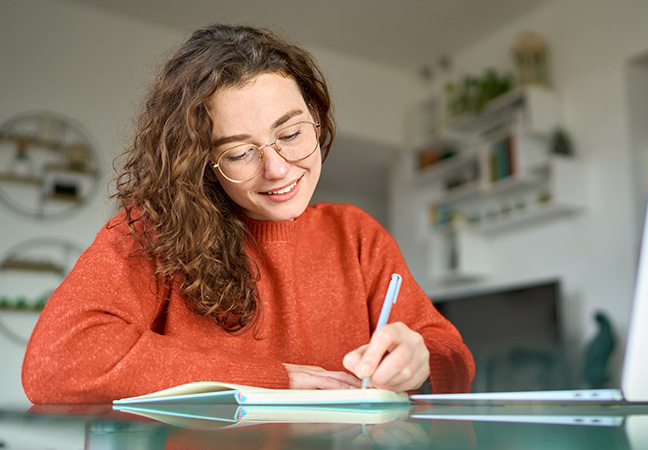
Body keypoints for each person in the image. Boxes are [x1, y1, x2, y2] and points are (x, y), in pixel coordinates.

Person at [21, 24, 475, 404]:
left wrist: (420, 359)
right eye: (239, 153)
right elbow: (57, 361)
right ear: (200, 160)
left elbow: (452, 356)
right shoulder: (152, 230)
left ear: (316, 115)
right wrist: (278, 381)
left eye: (292, 132)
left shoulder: (356, 234)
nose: (277, 169)